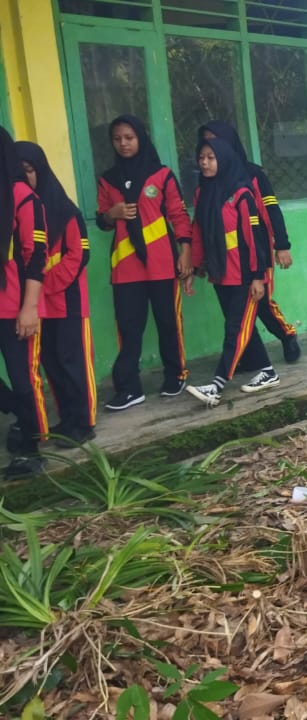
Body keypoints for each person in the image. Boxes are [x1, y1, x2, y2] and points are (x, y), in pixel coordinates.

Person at [96, 115, 192, 411]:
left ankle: (176, 375)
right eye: (117, 139)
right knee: (128, 328)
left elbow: (178, 215)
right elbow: (102, 221)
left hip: (162, 263)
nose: (123, 144)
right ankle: (129, 388)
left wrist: (185, 251)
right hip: (125, 267)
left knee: (168, 323)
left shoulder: (161, 175)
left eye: (129, 137)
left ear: (140, 138)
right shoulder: (107, 179)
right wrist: (111, 213)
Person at [184, 138, 279, 406]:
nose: (204, 162)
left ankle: (216, 386)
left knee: (234, 330)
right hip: (219, 273)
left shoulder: (242, 193)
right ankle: (268, 371)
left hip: (244, 275)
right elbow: (199, 232)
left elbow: (254, 238)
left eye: (211, 157)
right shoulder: (204, 193)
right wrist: (195, 267)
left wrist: (258, 276)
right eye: (201, 157)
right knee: (242, 327)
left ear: (224, 159)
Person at [197, 121, 301, 364]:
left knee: (259, 301)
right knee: (235, 310)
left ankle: (286, 335)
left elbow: (272, 209)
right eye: (206, 142)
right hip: (224, 256)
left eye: (216, 140)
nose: (211, 147)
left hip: (257, 250)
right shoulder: (206, 179)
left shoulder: (253, 174)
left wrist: (282, 245)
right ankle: (251, 357)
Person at [17, 141, 96, 446]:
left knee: (74, 362)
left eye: (30, 171)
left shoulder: (67, 211)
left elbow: (79, 256)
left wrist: (45, 286)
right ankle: (68, 420)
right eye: (19, 173)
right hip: (41, 306)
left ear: (42, 171)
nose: (25, 178)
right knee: (52, 362)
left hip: (69, 301)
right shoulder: (20, 212)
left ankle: (84, 423)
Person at [0, 127, 49, 477]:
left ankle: (31, 448)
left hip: (15, 305)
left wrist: (30, 307)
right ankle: (18, 411)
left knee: (23, 377)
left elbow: (36, 256)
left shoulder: (22, 196)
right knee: (17, 388)